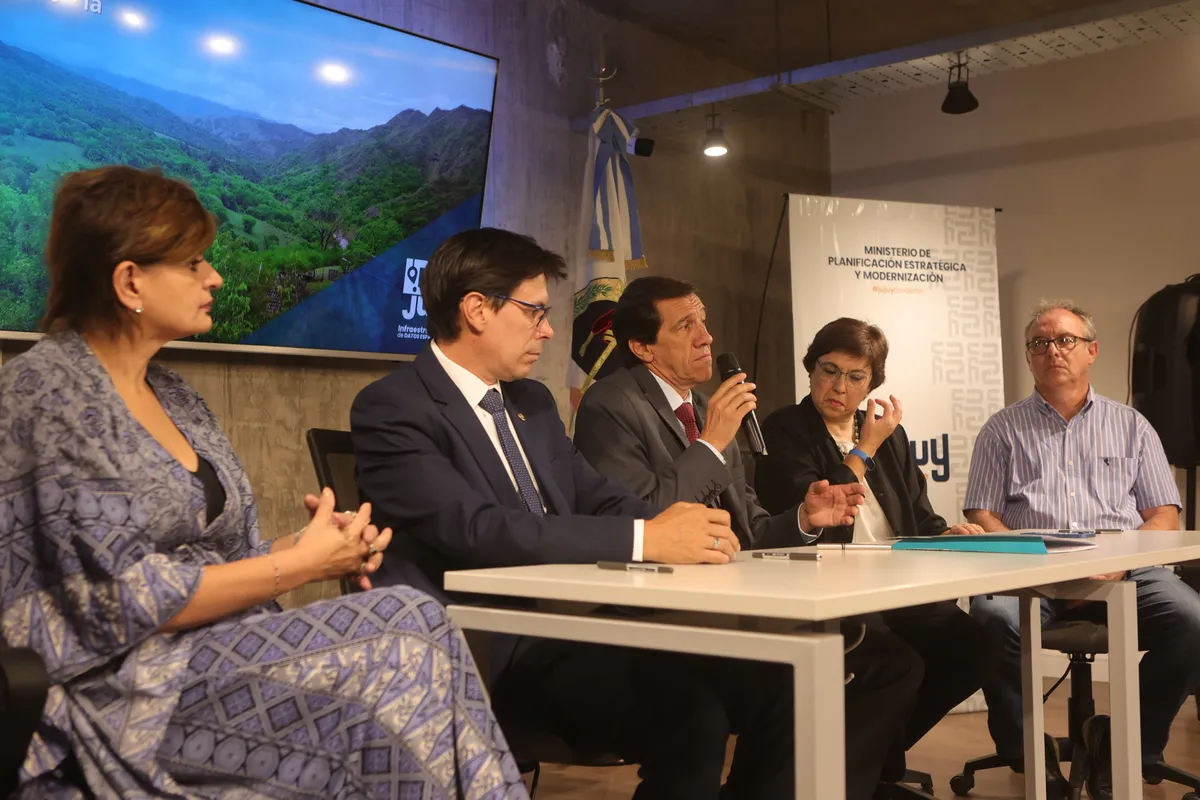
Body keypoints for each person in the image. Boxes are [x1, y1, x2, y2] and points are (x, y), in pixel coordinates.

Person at [0, 166, 527, 800]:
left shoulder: (174, 395)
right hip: (121, 682)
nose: (214, 278)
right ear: (129, 280)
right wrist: (299, 567)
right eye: (193, 263)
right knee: (405, 625)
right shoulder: (49, 392)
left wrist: (313, 546)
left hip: (217, 648)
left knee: (417, 636)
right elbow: (120, 601)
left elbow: (227, 560)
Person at [351, 230, 920, 800]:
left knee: (790, 681)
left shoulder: (531, 403)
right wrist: (646, 537)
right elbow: (479, 529)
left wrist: (680, 528)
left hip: (593, 620)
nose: (548, 330)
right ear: (477, 309)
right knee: (692, 715)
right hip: (496, 642)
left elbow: (598, 495)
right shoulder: (394, 407)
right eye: (534, 312)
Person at [572, 278, 940, 798]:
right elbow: (641, 521)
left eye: (703, 321)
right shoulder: (613, 404)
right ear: (643, 347)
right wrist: (712, 443)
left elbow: (753, 531)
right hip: (666, 617)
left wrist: (806, 519)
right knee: (824, 674)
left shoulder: (707, 409)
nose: (706, 337)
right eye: (685, 326)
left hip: (735, 603)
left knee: (891, 665)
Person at [965, 299, 1200, 800]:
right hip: (1032, 574)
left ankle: (1129, 745)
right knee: (990, 617)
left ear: (1091, 350)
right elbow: (982, 514)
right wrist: (1035, 564)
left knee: (1191, 618)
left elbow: (1164, 516)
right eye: (1040, 342)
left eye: (1065, 340)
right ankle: (1027, 751)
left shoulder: (1132, 426)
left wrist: (1117, 564)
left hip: (1123, 572)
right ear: (1029, 357)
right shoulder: (1001, 430)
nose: (1053, 350)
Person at [754, 316, 995, 791]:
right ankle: (860, 773)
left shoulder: (890, 435)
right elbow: (820, 513)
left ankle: (874, 759)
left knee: (976, 646)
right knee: (899, 664)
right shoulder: (784, 430)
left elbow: (919, 518)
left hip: (896, 583)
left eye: (855, 376)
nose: (838, 387)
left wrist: (948, 533)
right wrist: (864, 448)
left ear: (872, 383)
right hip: (830, 587)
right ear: (811, 368)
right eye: (828, 370)